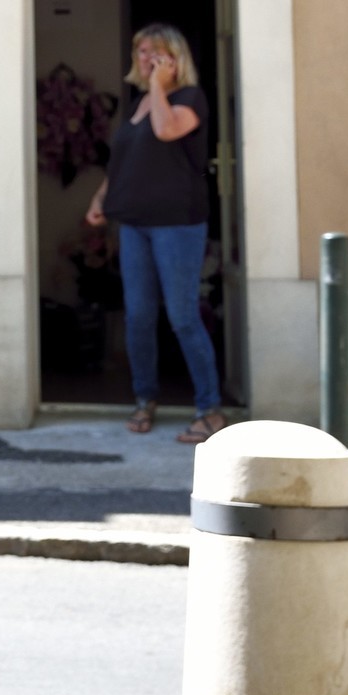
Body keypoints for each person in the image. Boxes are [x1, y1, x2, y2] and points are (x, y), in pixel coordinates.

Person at [85, 22, 225, 441]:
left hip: (177, 224)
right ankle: (144, 398)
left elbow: (166, 131)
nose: (147, 58)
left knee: (182, 316)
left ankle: (210, 409)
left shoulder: (189, 98)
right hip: (134, 223)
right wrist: (100, 199)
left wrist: (160, 87)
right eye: (142, 51)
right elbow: (122, 162)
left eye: (157, 52)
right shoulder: (138, 103)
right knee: (139, 317)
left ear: (175, 59)